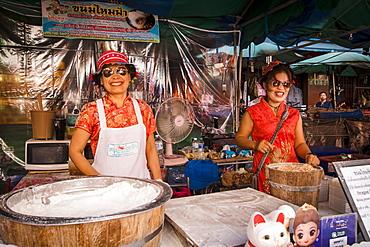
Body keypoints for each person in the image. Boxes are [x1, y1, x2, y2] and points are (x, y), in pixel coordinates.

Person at [69, 50, 162, 180]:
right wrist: (100, 180)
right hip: (106, 191)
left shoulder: (143, 109)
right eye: (108, 73)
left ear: (129, 76)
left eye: (121, 71)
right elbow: (75, 151)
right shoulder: (91, 111)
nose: (115, 76)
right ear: (101, 80)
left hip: (141, 186)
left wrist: (158, 181)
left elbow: (151, 148)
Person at [235, 61, 320, 193]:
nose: (281, 88)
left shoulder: (294, 114)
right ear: (265, 85)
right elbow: (240, 138)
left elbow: (299, 144)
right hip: (266, 175)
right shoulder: (253, 112)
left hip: (292, 173)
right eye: (275, 83)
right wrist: (255, 145)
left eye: (286, 84)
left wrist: (309, 155)